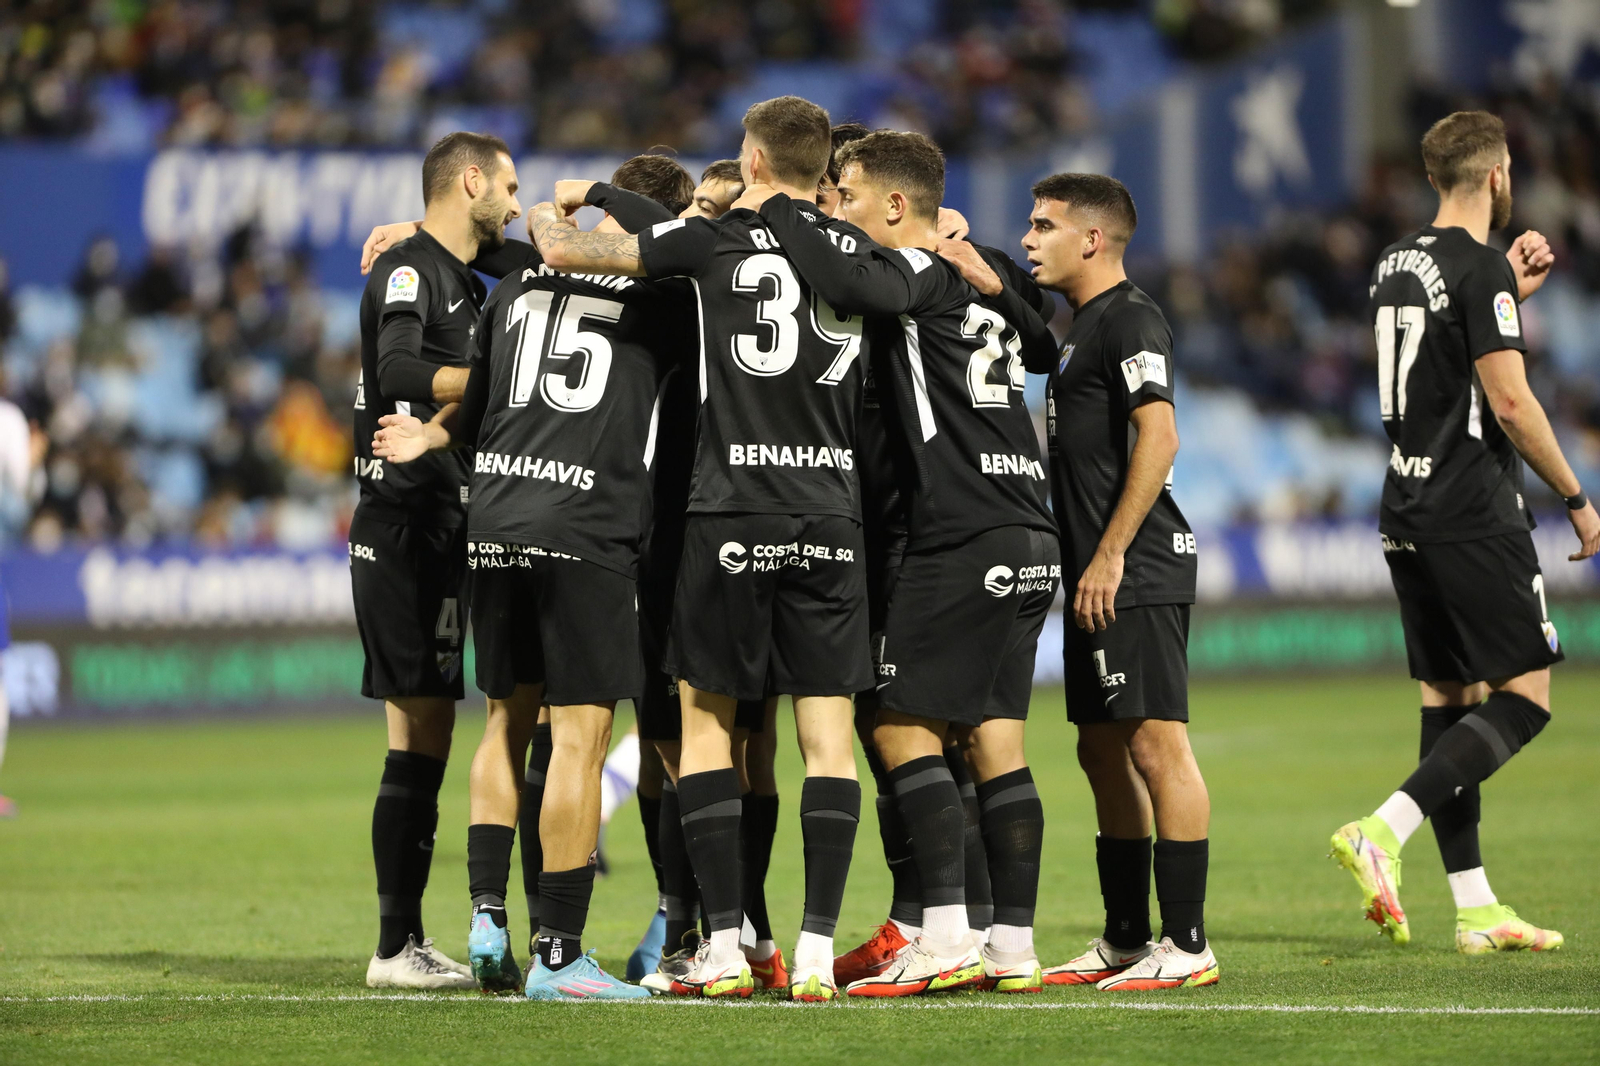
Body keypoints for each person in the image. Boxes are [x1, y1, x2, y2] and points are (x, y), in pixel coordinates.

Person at [530, 95, 874, 1002]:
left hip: (731, 512)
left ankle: (721, 944)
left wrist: (559, 204)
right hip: (830, 513)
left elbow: (567, 253)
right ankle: (812, 952)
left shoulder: (712, 244)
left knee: (706, 726)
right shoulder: (859, 252)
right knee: (826, 741)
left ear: (753, 160)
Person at [375, 155, 698, 999]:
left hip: (496, 520)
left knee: (504, 725)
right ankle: (560, 955)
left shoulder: (517, 289)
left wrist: (434, 435)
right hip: (587, 527)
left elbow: (479, 400)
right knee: (580, 743)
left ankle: (488, 915)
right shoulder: (669, 296)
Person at [745, 130, 1059, 996]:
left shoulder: (919, 268)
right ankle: (1011, 947)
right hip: (1028, 528)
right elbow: (1043, 343)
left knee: (895, 727)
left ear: (893, 204)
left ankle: (946, 937)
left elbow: (853, 282)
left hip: (958, 530)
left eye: (846, 195)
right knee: (995, 740)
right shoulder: (972, 275)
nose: (837, 209)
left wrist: (780, 207)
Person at [1331, 110, 1588, 954]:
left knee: (1450, 700)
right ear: (1497, 173)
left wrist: (1508, 289)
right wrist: (1576, 496)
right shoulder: (1478, 269)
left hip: (1406, 503)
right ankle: (1383, 830)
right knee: (1526, 697)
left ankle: (1476, 908)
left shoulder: (1395, 261)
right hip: (1472, 507)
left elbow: (1439, 358)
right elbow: (1509, 401)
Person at [1020, 173, 1217, 991]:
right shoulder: (1080, 329)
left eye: (1044, 225)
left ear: (1092, 239)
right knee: (1099, 746)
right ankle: (1127, 938)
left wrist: (1109, 555)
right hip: (1097, 571)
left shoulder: (1131, 317)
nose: (1029, 238)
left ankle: (1189, 943)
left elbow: (1160, 436)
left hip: (1135, 565)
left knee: (1154, 743)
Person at [353, 131, 521, 990]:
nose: (517, 205)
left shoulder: (460, 272)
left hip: (442, 522)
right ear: (471, 180)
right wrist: (491, 373)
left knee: (430, 734)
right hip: (404, 524)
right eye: (510, 188)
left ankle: (405, 943)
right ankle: (394, 948)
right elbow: (396, 368)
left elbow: (537, 258)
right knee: (416, 734)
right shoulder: (410, 271)